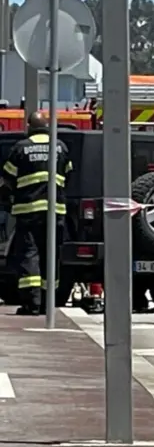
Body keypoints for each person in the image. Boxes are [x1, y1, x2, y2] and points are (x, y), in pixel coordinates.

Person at [0, 111, 72, 315]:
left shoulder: (21, 148)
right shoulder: (60, 147)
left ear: (29, 126)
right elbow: (67, 173)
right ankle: (49, 302)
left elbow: (7, 178)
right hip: (55, 210)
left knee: (29, 254)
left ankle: (32, 304)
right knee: (51, 254)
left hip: (28, 210)